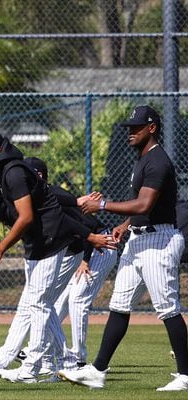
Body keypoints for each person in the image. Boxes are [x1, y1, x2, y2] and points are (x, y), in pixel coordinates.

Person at [60, 104, 188, 392]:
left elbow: (145, 204)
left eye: (136, 128)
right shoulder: (142, 159)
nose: (130, 133)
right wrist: (127, 224)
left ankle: (185, 375)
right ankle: (98, 371)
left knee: (167, 308)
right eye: (129, 128)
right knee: (119, 305)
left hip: (160, 241)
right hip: (139, 238)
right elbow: (144, 208)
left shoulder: (158, 161)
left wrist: (103, 205)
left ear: (152, 128)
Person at [0, 127, 86, 384]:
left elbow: (27, 217)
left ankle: (34, 369)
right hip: (37, 241)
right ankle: (51, 365)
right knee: (35, 302)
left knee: (39, 303)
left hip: (51, 238)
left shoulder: (14, 172)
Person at [0, 156, 115, 375]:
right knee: (36, 304)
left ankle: (64, 360)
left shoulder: (44, 195)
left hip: (79, 248)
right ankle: (15, 358)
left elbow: (73, 223)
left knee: (44, 303)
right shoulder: (14, 199)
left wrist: (89, 240)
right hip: (60, 250)